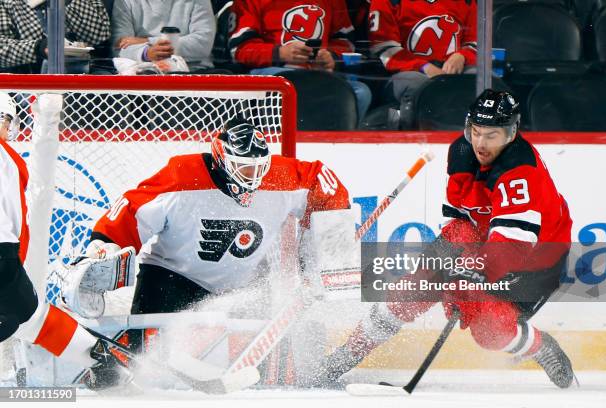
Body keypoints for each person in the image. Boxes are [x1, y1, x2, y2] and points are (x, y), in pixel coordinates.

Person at [310, 89, 575, 389]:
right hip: (484, 241)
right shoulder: (461, 153)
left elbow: (512, 245)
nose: (480, 143)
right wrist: (452, 279)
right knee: (412, 288)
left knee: (489, 329)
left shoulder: (520, 173)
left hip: (535, 259)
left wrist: (474, 273)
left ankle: (540, 347)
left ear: (511, 133)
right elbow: (461, 220)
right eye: (475, 132)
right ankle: (347, 355)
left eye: (492, 135)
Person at [66, 117, 349, 349]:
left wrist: (326, 259)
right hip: (173, 277)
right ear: (221, 158)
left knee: (253, 371)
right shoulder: (182, 175)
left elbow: (327, 188)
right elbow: (131, 210)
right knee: (143, 356)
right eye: (244, 168)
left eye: (259, 169)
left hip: (244, 285)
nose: (253, 179)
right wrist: (103, 246)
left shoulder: (282, 176)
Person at [0, 92, 130, 390]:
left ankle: (105, 364)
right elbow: (20, 223)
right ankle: (104, 364)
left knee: (30, 320)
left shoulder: (7, 158)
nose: (8, 130)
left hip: (3, 257)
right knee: (33, 320)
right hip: (4, 256)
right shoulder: (10, 159)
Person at [228, 0, 372, 124]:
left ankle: (338, 145)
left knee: (361, 92)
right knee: (292, 86)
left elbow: (345, 44)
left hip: (318, 75)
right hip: (273, 73)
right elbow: (240, 49)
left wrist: (331, 58)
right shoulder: (249, 2)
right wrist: (279, 53)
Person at [369, 0, 477, 128]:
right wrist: (423, 66)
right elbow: (385, 48)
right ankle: (411, 140)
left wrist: (462, 55)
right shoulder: (388, 2)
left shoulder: (467, 2)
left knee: (480, 80)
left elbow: (477, 40)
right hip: (405, 73)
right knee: (417, 85)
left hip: (453, 70)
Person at [0, 0, 110, 73]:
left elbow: (100, 35)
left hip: (83, 71)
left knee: (113, 96)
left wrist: (68, 2)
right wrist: (39, 48)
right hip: (27, 77)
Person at [111, 0, 216, 72]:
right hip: (141, 73)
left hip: (194, 72)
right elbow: (119, 47)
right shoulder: (124, 2)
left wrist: (147, 41)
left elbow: (203, 43)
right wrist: (146, 53)